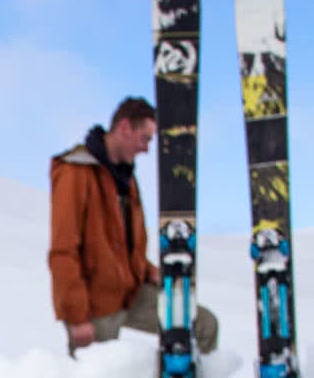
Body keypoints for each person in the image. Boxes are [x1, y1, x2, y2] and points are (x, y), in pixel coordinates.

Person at [50, 97, 216, 355]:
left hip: (131, 292)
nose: (147, 148)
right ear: (125, 127)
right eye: (145, 138)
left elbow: (125, 247)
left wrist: (148, 271)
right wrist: (76, 316)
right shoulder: (76, 171)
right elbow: (63, 250)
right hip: (95, 303)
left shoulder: (126, 179)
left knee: (204, 325)